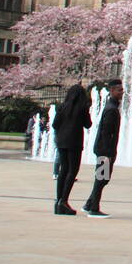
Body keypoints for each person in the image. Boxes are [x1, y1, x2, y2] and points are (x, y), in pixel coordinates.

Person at [83, 79, 122, 218]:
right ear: (111, 91)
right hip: (105, 150)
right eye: (119, 90)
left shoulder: (111, 107)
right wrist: (108, 153)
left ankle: (89, 204)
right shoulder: (111, 109)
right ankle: (93, 208)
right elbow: (106, 132)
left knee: (103, 178)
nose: (121, 92)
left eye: (122, 90)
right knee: (102, 178)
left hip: (105, 150)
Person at [51, 84, 91, 215]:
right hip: (74, 142)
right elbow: (88, 124)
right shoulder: (82, 108)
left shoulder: (62, 107)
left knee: (63, 170)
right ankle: (64, 200)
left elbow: (55, 124)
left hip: (62, 141)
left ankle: (58, 201)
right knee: (72, 171)